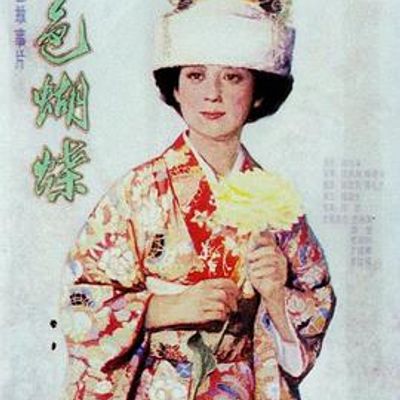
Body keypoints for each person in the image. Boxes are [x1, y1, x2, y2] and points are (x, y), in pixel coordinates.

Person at [60, 1, 336, 399]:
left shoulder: (277, 205)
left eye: (233, 77)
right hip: (158, 386)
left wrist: (276, 295)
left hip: (244, 386)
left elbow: (312, 310)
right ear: (175, 87)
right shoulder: (137, 192)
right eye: (195, 75)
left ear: (258, 92)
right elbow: (80, 301)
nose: (212, 94)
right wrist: (164, 309)